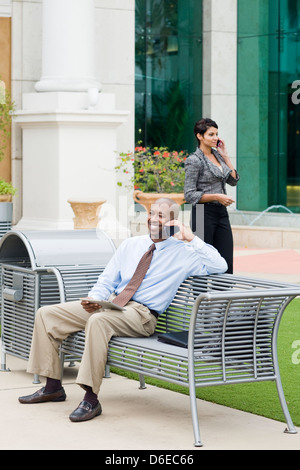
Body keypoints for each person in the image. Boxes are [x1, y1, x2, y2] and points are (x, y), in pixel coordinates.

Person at [18, 197, 227, 422]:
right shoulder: (131, 245)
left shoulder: (185, 253)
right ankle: (53, 387)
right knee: (47, 314)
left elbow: (220, 265)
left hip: (141, 315)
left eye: (161, 215)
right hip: (112, 304)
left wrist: (191, 238)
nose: (153, 219)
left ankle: (91, 399)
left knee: (97, 322)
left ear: (173, 222)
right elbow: (106, 280)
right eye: (151, 213)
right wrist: (94, 299)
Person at [184, 118, 239, 274]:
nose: (215, 138)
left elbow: (233, 180)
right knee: (202, 260)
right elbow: (189, 194)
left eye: (216, 134)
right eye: (211, 134)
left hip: (221, 213)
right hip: (202, 214)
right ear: (200, 136)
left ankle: (223, 297)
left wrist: (226, 155)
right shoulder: (194, 160)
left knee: (226, 259)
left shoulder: (219, 157)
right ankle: (200, 297)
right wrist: (216, 196)